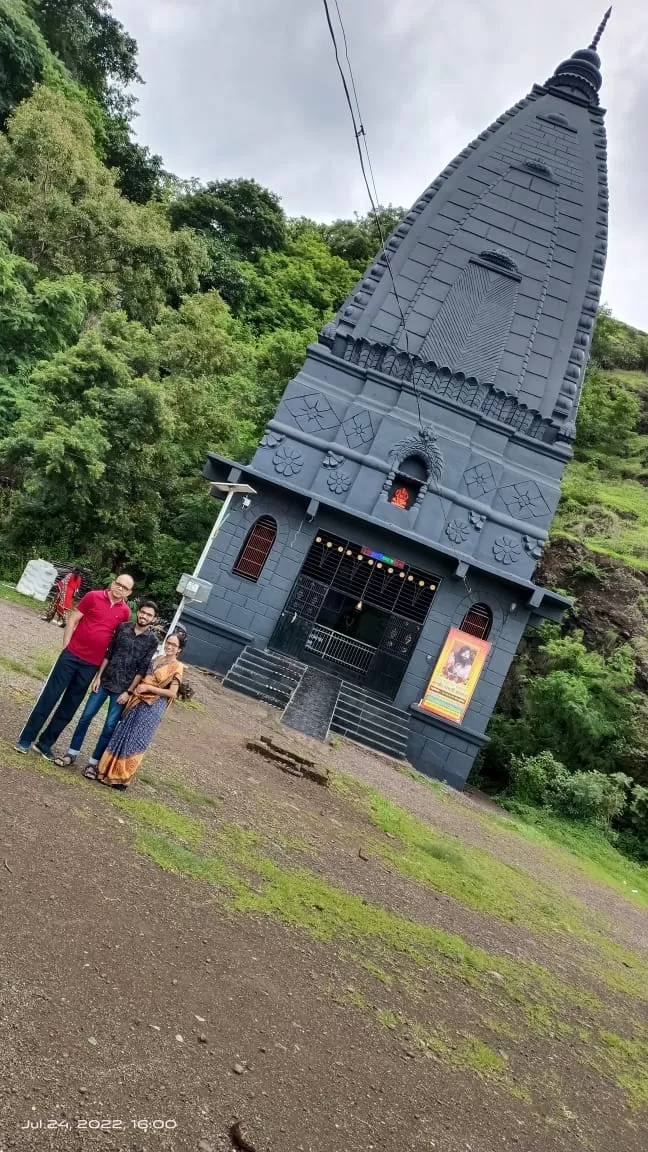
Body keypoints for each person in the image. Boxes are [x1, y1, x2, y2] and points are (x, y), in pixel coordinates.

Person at [15, 575, 134, 759]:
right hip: (71, 656)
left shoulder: (125, 612)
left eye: (125, 588)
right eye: (118, 584)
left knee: (69, 707)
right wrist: (66, 646)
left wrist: (100, 673)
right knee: (50, 697)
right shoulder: (93, 596)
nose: (120, 589)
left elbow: (115, 642)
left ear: (129, 592)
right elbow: (73, 619)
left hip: (91, 665)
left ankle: (44, 743)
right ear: (112, 583)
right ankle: (25, 739)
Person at [54, 600, 159, 772]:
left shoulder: (152, 641)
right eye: (143, 612)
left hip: (122, 690)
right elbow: (109, 653)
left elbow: (142, 669)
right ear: (138, 612)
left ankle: (94, 764)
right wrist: (98, 677)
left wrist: (129, 691)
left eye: (149, 615)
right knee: (85, 717)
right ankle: (71, 754)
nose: (144, 616)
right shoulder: (123, 628)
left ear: (153, 619)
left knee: (109, 726)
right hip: (104, 682)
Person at [88, 631, 185, 791]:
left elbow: (172, 693)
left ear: (179, 649)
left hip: (152, 708)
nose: (169, 646)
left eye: (174, 645)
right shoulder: (157, 659)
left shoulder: (177, 667)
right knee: (123, 734)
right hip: (137, 702)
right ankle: (107, 771)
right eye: (168, 642)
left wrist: (148, 687)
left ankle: (121, 779)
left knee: (136, 741)